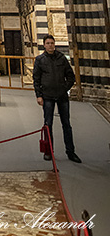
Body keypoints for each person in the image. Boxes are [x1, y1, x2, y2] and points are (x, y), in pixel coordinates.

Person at [33, 34, 81, 163]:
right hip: (47, 96)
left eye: (52, 43)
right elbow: (36, 79)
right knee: (48, 124)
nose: (50, 45)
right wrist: (39, 95)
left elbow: (70, 76)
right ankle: (49, 152)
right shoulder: (40, 60)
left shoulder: (61, 58)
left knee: (66, 124)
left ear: (54, 44)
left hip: (61, 96)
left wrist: (64, 88)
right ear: (44, 45)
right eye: (48, 43)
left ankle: (70, 152)